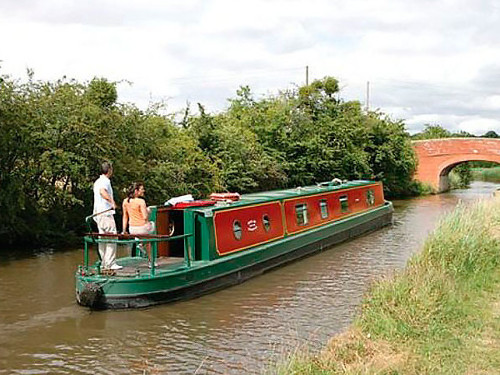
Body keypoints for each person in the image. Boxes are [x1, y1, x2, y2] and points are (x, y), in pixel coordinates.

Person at [93, 161, 122, 270]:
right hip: (106, 213)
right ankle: (110, 264)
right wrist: (112, 202)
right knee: (112, 237)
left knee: (103, 238)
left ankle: (104, 262)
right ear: (109, 170)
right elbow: (103, 192)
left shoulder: (97, 181)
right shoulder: (105, 181)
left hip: (98, 214)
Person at [122, 182, 156, 267]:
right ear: (136, 191)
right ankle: (150, 261)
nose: (143, 191)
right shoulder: (141, 201)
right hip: (142, 228)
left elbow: (125, 217)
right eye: (142, 189)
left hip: (132, 229)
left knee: (146, 237)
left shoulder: (125, 201)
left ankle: (141, 242)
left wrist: (124, 230)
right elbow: (145, 217)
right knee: (152, 226)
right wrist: (148, 211)